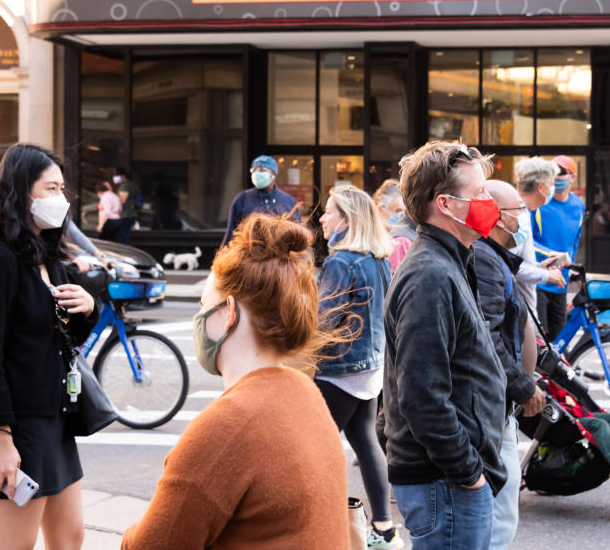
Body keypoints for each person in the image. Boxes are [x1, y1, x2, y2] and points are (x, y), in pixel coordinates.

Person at [122, 214, 349, 548]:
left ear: (228, 313)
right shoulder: (306, 391)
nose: (198, 319)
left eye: (203, 306)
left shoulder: (226, 427)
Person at [0, 143, 97, 549]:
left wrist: (86, 309)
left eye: (62, 189)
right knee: (14, 545)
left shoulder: (46, 256)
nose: (62, 199)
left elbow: (57, 342)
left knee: (69, 540)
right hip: (21, 430)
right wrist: (1, 439)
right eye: (51, 188)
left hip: (56, 420)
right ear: (22, 192)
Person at [384, 141, 507, 550]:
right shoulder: (430, 275)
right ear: (447, 205)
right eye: (480, 194)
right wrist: (468, 473)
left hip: (450, 481)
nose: (490, 202)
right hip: (446, 483)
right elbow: (421, 396)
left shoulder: (450, 262)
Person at [316, 185, 401, 550]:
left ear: (346, 219)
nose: (321, 217)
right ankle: (384, 529)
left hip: (337, 369)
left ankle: (323, 525)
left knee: (316, 448)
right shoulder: (377, 258)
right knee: (366, 443)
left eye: (329, 211)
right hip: (369, 369)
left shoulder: (341, 262)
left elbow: (323, 323)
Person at [472, 179, 546, 550]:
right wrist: (521, 385)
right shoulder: (484, 259)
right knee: (500, 516)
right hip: (492, 404)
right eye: (519, 210)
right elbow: (487, 335)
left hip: (499, 404)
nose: (524, 217)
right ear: (497, 217)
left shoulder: (493, 257)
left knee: (502, 512)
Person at [516, 156, 585, 343]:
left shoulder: (578, 205)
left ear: (573, 177)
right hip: (537, 279)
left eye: (561, 173)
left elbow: (574, 242)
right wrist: (550, 256)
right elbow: (525, 243)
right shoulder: (536, 205)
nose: (556, 180)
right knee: (538, 338)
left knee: (559, 338)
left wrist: (569, 266)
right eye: (553, 176)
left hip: (560, 280)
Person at [221, 155, 298, 246]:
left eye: (262, 170)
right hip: (249, 256)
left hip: (280, 257)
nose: (257, 174)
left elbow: (297, 236)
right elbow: (231, 235)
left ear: (274, 174)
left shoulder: (288, 201)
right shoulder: (242, 199)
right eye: (254, 170)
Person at [112, 168, 139, 245]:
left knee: (123, 237)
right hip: (129, 214)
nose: (115, 178)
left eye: (117, 175)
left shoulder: (125, 186)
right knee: (125, 235)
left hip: (125, 215)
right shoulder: (129, 185)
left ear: (123, 176)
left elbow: (122, 200)